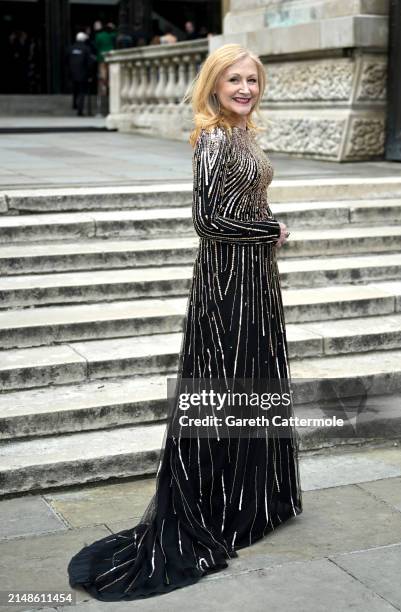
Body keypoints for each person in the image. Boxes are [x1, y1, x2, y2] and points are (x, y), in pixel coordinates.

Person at [67, 42, 303, 601]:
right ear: (214, 86)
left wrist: (267, 224)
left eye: (252, 80)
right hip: (226, 286)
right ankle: (219, 504)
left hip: (252, 283)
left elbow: (243, 203)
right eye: (234, 80)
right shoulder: (214, 138)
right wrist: (269, 233)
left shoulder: (241, 135)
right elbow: (208, 220)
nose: (245, 88)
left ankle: (252, 502)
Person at [67, 32, 95, 116]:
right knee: (82, 91)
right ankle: (80, 110)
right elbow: (89, 62)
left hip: (72, 73)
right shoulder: (86, 49)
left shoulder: (70, 48)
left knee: (75, 89)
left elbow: (66, 60)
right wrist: (90, 74)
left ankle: (75, 104)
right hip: (83, 73)